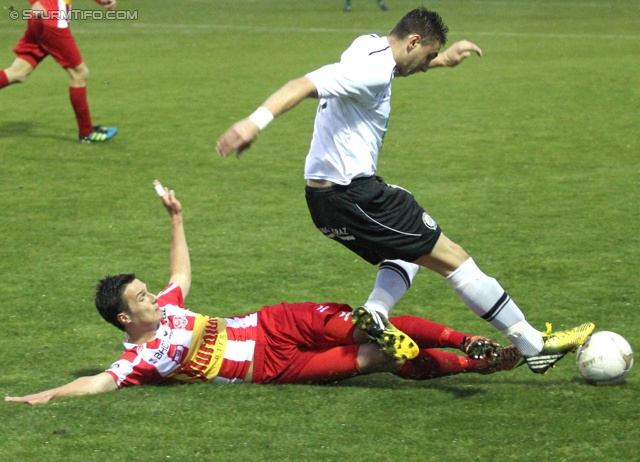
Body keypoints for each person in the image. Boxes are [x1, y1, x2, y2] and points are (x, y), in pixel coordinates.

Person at [215, 7, 595, 374]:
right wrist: (253, 123)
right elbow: (302, 85)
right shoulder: (372, 71)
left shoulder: (368, 45)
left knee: (409, 250)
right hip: (355, 196)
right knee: (455, 260)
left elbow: (396, 68)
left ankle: (377, 312)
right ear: (414, 41)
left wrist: (443, 59)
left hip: (324, 202)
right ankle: (534, 346)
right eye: (426, 54)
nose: (424, 63)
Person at [4, 181, 523, 406]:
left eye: (147, 291)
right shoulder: (139, 359)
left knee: (369, 324)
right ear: (124, 319)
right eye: (141, 298)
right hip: (270, 369)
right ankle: (486, 363)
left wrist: (176, 216)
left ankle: (467, 338)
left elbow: (180, 274)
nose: (154, 299)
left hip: (272, 324)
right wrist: (44, 394)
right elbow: (96, 384)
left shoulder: (168, 309)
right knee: (375, 359)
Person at [0, 0, 117, 143]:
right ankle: (87, 132)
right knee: (79, 74)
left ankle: (87, 132)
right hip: (52, 17)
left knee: (18, 73)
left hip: (41, 16)